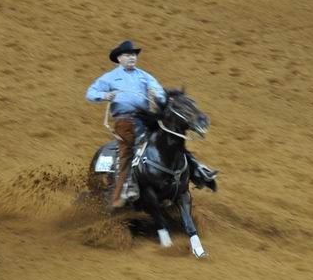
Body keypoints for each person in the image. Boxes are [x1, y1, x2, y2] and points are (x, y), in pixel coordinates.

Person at [86, 40, 217, 208]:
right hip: (124, 121)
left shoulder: (144, 76)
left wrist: (161, 98)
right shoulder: (110, 78)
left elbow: (159, 92)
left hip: (146, 118)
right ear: (119, 59)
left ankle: (199, 171)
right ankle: (125, 187)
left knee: (171, 142)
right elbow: (90, 93)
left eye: (133, 54)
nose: (132, 58)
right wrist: (104, 96)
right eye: (128, 55)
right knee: (127, 151)